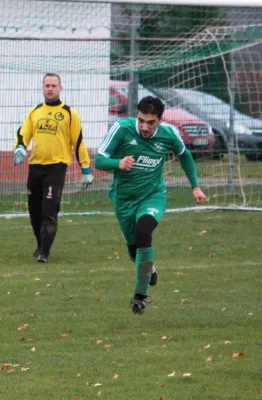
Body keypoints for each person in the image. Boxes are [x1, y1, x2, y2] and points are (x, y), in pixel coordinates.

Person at [95, 96, 206, 315]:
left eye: (151, 122)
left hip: (153, 196)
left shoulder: (169, 134)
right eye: (141, 120)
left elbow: (185, 156)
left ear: (159, 120)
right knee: (134, 248)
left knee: (144, 232)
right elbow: (99, 160)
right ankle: (149, 266)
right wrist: (118, 163)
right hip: (124, 200)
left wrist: (195, 186)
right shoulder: (121, 129)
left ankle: (140, 296)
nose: (145, 127)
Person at [13, 73, 93, 263]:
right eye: (47, 85)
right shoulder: (34, 112)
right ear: (42, 88)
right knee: (34, 210)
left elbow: (78, 141)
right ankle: (40, 244)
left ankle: (44, 252)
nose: (50, 88)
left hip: (56, 168)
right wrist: (19, 147)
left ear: (60, 88)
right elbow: (23, 133)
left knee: (49, 210)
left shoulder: (69, 113)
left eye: (53, 85)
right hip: (35, 166)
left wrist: (86, 168)